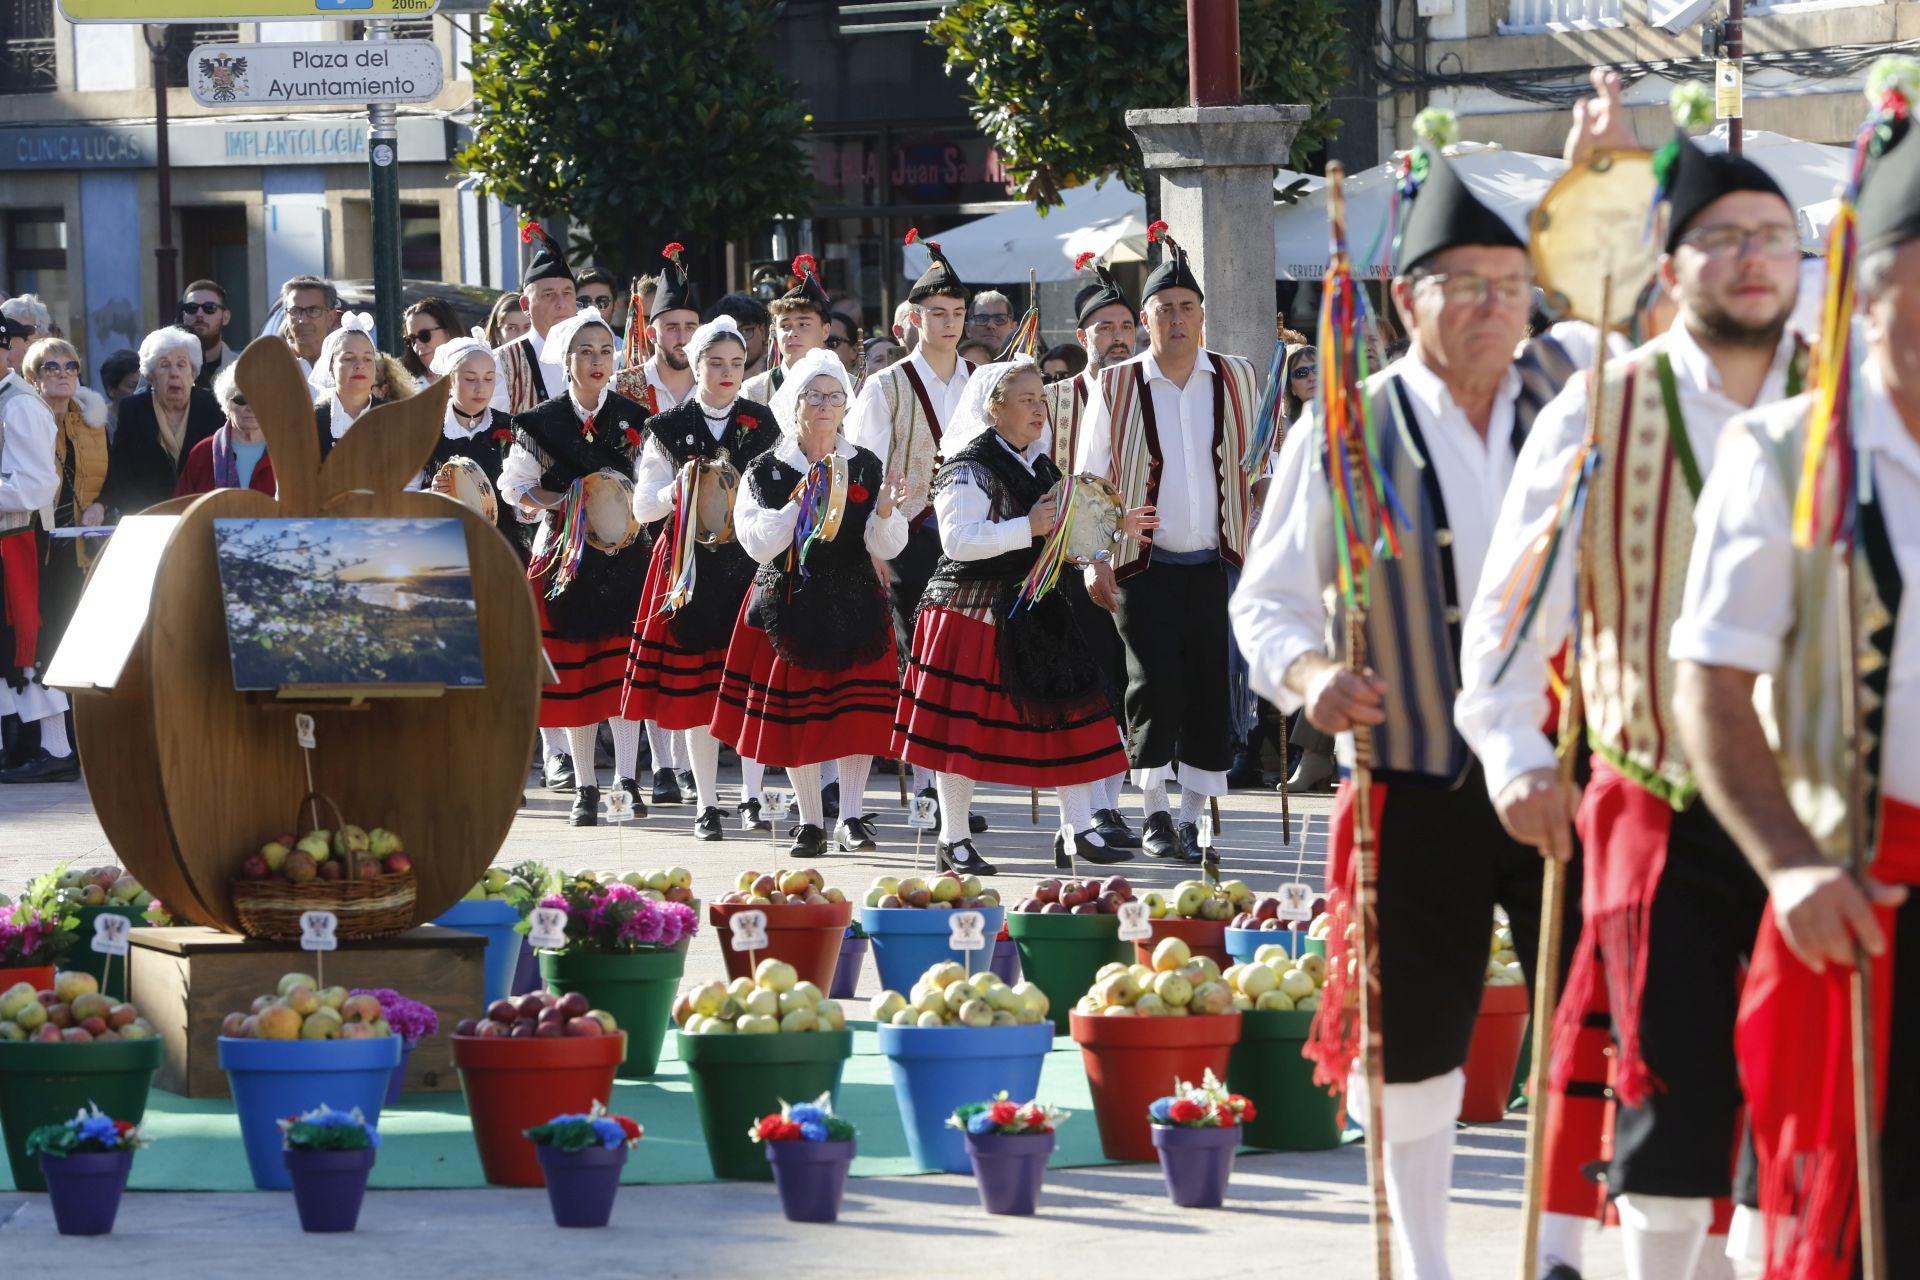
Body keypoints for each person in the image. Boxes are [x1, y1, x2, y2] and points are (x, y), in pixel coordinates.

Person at [1455, 82, 1803, 1280]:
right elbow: (1513, 605)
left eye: (1774, 236)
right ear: (1669, 262)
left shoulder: (1847, 400)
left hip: (1820, 809)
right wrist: (1513, 748)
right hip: (1658, 795)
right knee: (1669, 1085)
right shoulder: (1599, 409)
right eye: (1723, 237)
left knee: (1804, 1094)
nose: (1752, 258)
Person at [1232, 143, 1559, 1278]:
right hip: (1413, 776)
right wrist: (1312, 678)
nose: (1493, 307)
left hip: (1563, 774)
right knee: (1411, 1045)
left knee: (1593, 1027)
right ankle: (1425, 1260)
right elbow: (1267, 599)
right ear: (1409, 298)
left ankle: (1566, 1253)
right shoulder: (1343, 427)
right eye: (1465, 285)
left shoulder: (1570, 412)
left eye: (1510, 287)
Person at [1669, 94, 1920, 1280]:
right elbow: (1712, 683)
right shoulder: (1782, 456)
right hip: (1861, 894)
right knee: (1862, 1227)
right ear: (1865, 296)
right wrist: (1790, 861)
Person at [894, 358, 1153, 874]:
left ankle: (1077, 831)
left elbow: (1065, 535)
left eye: (1041, 399)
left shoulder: (1042, 465)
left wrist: (1111, 526)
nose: (1040, 409)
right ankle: (953, 839)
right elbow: (958, 542)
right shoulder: (967, 466)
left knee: (1071, 715)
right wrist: (1027, 527)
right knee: (962, 733)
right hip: (970, 611)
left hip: (1036, 605)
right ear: (995, 408)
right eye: (1027, 400)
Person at [1078, 225, 1257, 865]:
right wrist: (1093, 560)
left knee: (1211, 688)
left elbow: (1262, 463)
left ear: (1202, 317)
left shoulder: (1239, 377)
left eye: (1186, 307)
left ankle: (1192, 819)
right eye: (1164, 309)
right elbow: (1091, 479)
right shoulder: (1115, 385)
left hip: (1219, 561)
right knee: (1153, 687)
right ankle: (1154, 811)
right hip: (1142, 566)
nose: (1177, 319)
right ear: (1145, 320)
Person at [712, 349, 907, 857]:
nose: (825, 405)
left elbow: (884, 545)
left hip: (854, 599)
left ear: (846, 406)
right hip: (791, 601)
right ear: (793, 404)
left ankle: (851, 816)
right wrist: (795, 507)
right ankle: (810, 822)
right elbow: (757, 544)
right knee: (800, 718)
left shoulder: (864, 464)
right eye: (814, 396)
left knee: (855, 716)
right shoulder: (766, 468)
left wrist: (886, 512)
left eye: (835, 396)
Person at [621, 317, 782, 839]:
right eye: (715, 363)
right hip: (687, 566)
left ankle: (753, 797)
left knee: (751, 683)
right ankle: (707, 803)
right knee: (697, 691)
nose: (728, 372)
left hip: (748, 563)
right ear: (695, 365)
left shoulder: (764, 421)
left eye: (737, 362)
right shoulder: (667, 427)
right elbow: (643, 507)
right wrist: (678, 490)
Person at [497, 310, 654, 826]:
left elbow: (650, 486)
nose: (596, 360)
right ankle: (586, 785)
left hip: (624, 557)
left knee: (621, 673)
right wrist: (569, 501)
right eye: (585, 351)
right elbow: (514, 487)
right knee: (577, 676)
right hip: (564, 558)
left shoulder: (635, 417)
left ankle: (626, 781)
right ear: (565, 360)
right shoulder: (540, 421)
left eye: (605, 351)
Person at [847, 232, 980, 823]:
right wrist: (873, 542)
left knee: (967, 658)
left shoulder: (982, 380)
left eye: (958, 312)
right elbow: (862, 468)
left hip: (973, 535)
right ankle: (929, 784)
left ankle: (957, 783)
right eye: (938, 313)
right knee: (919, 653)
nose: (950, 323)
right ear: (915, 318)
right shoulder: (887, 385)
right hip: (908, 535)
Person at [1044, 255, 1147, 849]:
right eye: (1104, 328)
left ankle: (1116, 805)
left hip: (1140, 559)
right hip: (1065, 566)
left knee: (1132, 684)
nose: (1117, 338)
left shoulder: (1149, 392)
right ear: (1083, 336)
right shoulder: (1053, 400)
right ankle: (1095, 809)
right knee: (1088, 686)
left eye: (1125, 326)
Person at [0, 305, 71, 782]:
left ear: (7, 350)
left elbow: (36, 486)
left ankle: (56, 748)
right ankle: (16, 747)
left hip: (18, 539)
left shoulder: (20, 405)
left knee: (27, 643)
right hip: (8, 538)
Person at [23, 338, 107, 675]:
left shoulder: (93, 421)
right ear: (33, 377)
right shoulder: (22, 419)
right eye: (52, 367)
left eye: (71, 366)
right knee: (43, 643)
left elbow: (117, 475)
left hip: (81, 547)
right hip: (34, 544)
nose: (63, 374)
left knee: (80, 638)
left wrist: (102, 503)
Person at [97, 326, 222, 517]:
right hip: (149, 517)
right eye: (164, 365)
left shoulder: (213, 407)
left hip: (202, 515)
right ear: (151, 376)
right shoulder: (133, 409)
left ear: (193, 372)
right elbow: (121, 472)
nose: (174, 373)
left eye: (181, 365)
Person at [415, 338, 517, 540]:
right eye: (470, 379)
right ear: (449, 380)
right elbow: (403, 495)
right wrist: (432, 495)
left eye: (489, 378)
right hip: (444, 542)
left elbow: (522, 498)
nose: (481, 388)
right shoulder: (425, 430)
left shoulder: (510, 426)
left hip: (501, 542)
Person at [491, 222, 578, 420]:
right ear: (525, 305)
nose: (561, 303)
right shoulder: (502, 362)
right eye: (548, 294)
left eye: (567, 293)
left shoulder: (599, 354)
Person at [175, 363, 274, 498]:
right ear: (226, 404)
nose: (250, 407)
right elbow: (183, 505)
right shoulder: (203, 452)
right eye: (241, 399)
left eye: (259, 399)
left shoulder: (285, 454)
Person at [743, 256, 830, 404]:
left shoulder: (850, 387)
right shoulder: (753, 391)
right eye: (785, 326)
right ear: (774, 331)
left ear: (825, 331)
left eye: (803, 324)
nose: (792, 333)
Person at [311, 314, 384, 460]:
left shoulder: (393, 417)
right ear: (331, 367)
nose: (359, 365)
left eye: (367, 358)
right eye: (349, 358)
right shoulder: (312, 422)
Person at [643, 245, 701, 413]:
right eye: (672, 328)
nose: (683, 339)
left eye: (690, 327)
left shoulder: (716, 386)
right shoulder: (620, 387)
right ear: (652, 334)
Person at [178, 280, 238, 392]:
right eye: (192, 308)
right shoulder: (163, 370)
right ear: (183, 316)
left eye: (209, 307)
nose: (199, 314)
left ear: (225, 317)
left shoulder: (242, 369)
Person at [279, 276, 341, 377]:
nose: (303, 320)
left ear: (331, 317)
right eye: (295, 311)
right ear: (286, 316)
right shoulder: (273, 366)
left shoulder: (345, 365)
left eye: (313, 311)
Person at [705, 292, 771, 377]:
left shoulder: (778, 373)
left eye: (745, 331)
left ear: (762, 332)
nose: (739, 341)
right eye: (730, 333)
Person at [401, 297, 461, 382]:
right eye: (411, 339)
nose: (418, 346)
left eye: (424, 335)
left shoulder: (477, 373)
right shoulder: (405, 385)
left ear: (447, 331)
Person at [99, 350, 140, 441]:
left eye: (143, 386)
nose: (140, 392)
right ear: (111, 390)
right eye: (132, 387)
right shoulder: (100, 425)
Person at [967, 288, 1017, 353]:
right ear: (968, 329)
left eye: (999, 319)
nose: (991, 325)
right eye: (982, 318)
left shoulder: (1027, 359)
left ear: (1013, 329)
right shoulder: (955, 359)